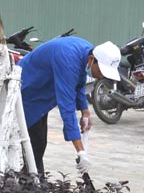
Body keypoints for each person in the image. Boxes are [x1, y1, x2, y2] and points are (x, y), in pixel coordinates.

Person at [18, 37, 121, 176]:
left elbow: (79, 83)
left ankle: (33, 181)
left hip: (42, 90)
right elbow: (67, 106)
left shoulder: (87, 51)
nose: (101, 76)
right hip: (27, 89)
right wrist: (80, 151)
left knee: (39, 143)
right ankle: (31, 184)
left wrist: (85, 112)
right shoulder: (68, 58)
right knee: (35, 143)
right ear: (92, 59)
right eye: (102, 71)